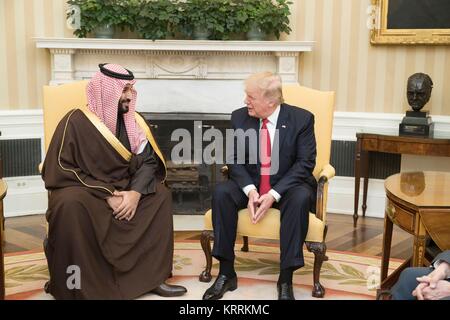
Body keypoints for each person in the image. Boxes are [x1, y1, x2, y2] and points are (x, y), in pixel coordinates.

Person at [42, 63, 187, 299]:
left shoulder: (134, 122)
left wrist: (135, 194)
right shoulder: (75, 121)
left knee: (160, 196)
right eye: (124, 89)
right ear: (106, 90)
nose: (129, 95)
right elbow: (59, 167)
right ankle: (75, 284)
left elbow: (149, 161)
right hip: (86, 191)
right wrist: (107, 194)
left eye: (131, 89)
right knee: (69, 205)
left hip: (125, 189)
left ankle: (151, 278)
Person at [203, 72, 317, 300]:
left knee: (300, 198)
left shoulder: (302, 119)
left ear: (271, 102)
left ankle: (285, 280)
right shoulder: (239, 118)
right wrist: (251, 191)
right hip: (252, 182)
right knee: (222, 192)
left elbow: (305, 164)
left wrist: (273, 194)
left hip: (287, 185)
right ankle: (226, 273)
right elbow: (234, 160)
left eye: (251, 96)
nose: (246, 101)